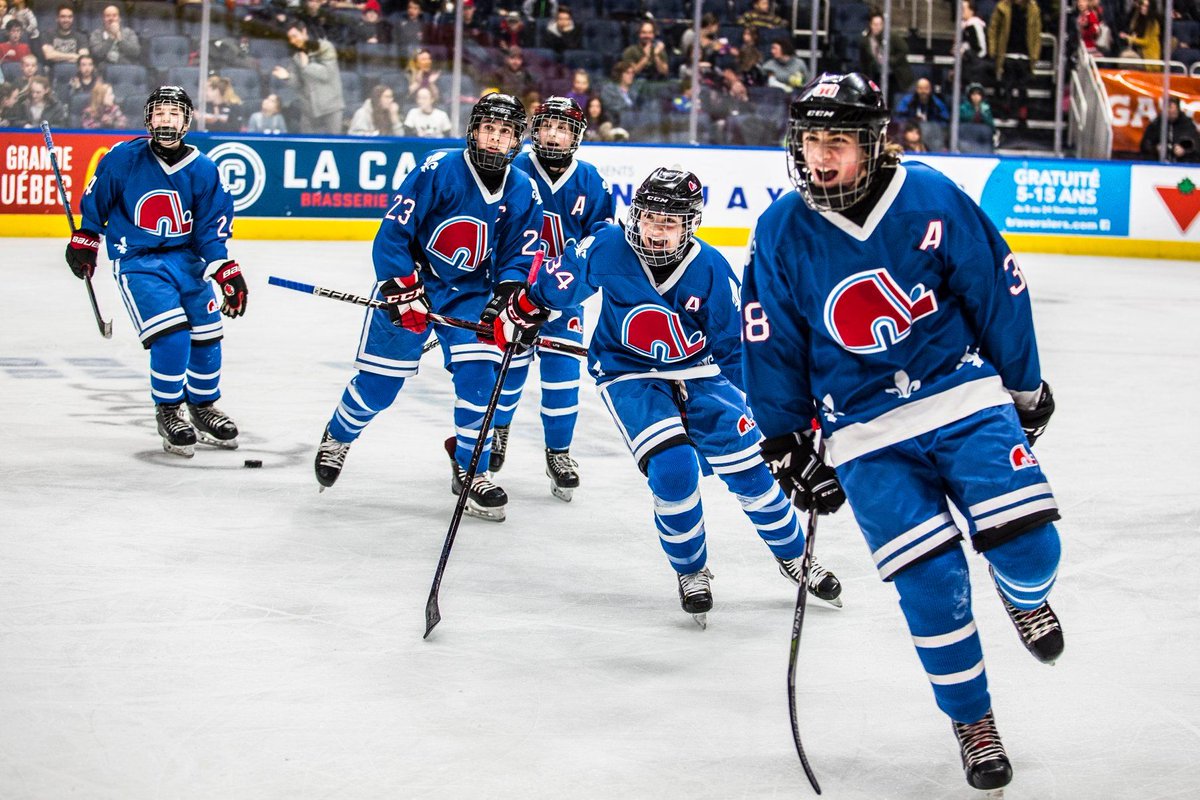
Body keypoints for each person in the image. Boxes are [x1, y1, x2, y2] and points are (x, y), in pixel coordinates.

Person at [741, 72, 1063, 792]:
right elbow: (769, 340)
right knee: (930, 583)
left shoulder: (929, 195)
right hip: (861, 430)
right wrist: (786, 440)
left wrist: (1024, 385)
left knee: (1033, 548)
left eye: (837, 142)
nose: (818, 159)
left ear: (875, 145)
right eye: (810, 141)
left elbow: (997, 287)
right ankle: (973, 722)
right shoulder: (781, 229)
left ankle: (1022, 590)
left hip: (960, 394)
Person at [489, 167, 845, 621]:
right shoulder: (608, 246)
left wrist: (784, 408)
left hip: (701, 373)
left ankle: (796, 558)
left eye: (670, 221)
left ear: (689, 225)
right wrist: (525, 309)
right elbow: (561, 282)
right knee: (673, 469)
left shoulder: (712, 270)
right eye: (650, 217)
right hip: (629, 373)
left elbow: (736, 353)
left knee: (753, 472)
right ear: (635, 215)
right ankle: (691, 570)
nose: (657, 229)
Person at [313, 92, 543, 523]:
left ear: (516, 140)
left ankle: (471, 468)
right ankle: (337, 435)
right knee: (380, 386)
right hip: (414, 280)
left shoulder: (523, 189)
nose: (495, 140)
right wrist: (403, 290)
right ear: (473, 131)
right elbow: (395, 232)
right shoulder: (438, 168)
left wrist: (505, 299)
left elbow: (520, 253)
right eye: (488, 129)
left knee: (480, 374)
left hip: (471, 292)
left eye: (505, 132)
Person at [67, 86, 249, 457]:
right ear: (148, 118)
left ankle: (202, 407)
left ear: (187, 119)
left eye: (174, 113)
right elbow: (97, 202)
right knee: (172, 336)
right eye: (159, 113)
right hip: (139, 261)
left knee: (207, 335)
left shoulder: (203, 169)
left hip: (187, 262)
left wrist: (225, 270)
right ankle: (168, 410)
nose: (166, 120)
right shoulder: (124, 158)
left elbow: (210, 230)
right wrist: (86, 239)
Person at [484, 97, 614, 501]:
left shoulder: (592, 181)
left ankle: (559, 453)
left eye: (563, 128)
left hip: (564, 299)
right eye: (547, 127)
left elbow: (602, 241)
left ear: (576, 136)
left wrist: (569, 284)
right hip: (516, 291)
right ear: (534, 130)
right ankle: (498, 432)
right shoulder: (515, 168)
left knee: (562, 376)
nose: (554, 135)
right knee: (509, 369)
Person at [272, 18, 344, 134]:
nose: (292, 41)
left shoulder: (325, 47)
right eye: (290, 38)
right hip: (308, 111)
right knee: (307, 147)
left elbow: (327, 74)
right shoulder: (297, 56)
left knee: (332, 146)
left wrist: (306, 67)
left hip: (330, 109)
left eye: (295, 36)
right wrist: (287, 77)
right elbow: (299, 84)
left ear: (304, 32)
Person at [987, 0, 1042, 125]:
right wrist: (993, 50)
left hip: (1025, 54)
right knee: (1007, 85)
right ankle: (1005, 110)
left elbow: (1036, 34)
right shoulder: (1002, 7)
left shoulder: (1033, 9)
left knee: (1023, 87)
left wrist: (1034, 54)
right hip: (1007, 53)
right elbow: (993, 29)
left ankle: (1022, 115)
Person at [1139, 96, 1200, 162]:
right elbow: (1144, 145)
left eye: (1173, 113)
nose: (1171, 115)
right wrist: (1155, 149)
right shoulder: (1156, 124)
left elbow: (1196, 146)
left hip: (1183, 164)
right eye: (1168, 113)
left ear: (1178, 110)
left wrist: (1184, 151)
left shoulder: (1187, 125)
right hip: (1159, 163)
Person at [41, 4, 89, 69]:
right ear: (57, 18)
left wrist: (57, 56)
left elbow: (83, 58)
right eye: (63, 17)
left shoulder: (80, 36)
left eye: (70, 17)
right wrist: (73, 56)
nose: (66, 20)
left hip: (74, 72)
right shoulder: (48, 34)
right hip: (53, 71)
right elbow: (49, 55)